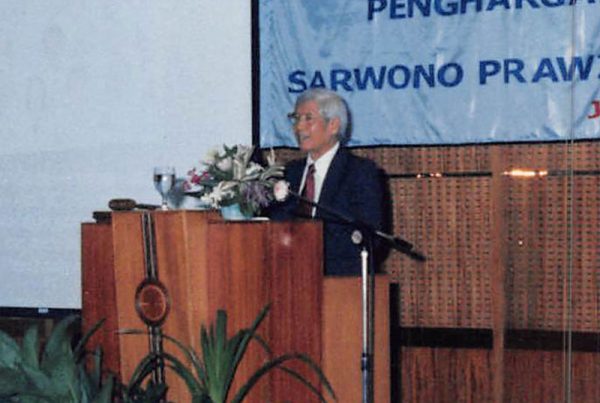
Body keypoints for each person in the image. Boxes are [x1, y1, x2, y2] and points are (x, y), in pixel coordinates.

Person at [269, 88, 386, 275]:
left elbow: (370, 238)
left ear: (333, 125)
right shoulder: (288, 173)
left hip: (340, 280)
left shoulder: (360, 172)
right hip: (289, 276)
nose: (299, 127)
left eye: (308, 118)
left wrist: (309, 248)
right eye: (296, 119)